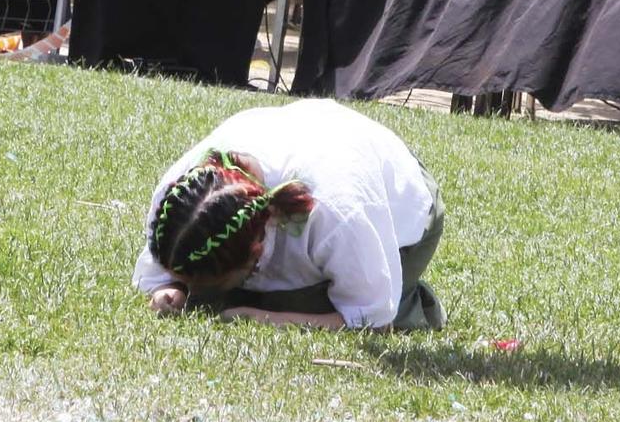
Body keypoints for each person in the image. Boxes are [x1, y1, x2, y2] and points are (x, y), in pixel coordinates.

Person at [133, 98, 445, 331]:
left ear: (256, 249)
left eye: (207, 283)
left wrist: (264, 317)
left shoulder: (337, 211)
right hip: (325, 146)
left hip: (404, 203)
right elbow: (159, 269)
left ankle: (412, 300)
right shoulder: (183, 194)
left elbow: (372, 322)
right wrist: (168, 287)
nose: (196, 293)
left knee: (300, 302)